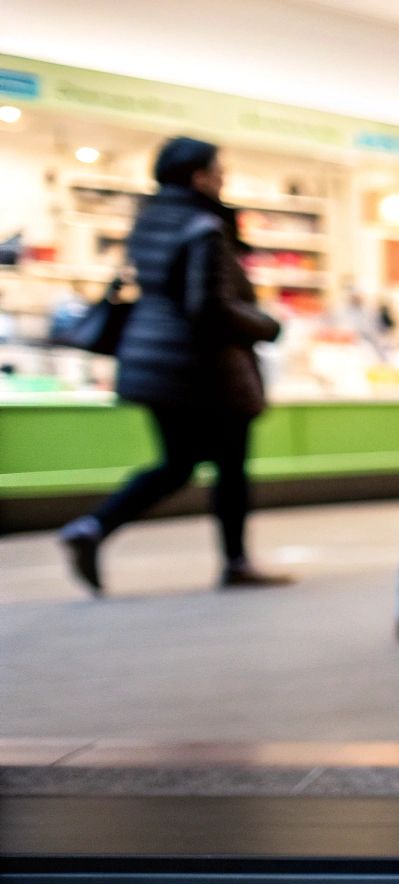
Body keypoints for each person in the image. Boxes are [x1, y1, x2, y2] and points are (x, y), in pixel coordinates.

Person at [58, 136, 291, 594]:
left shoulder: (149, 220)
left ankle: (93, 527)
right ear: (199, 176)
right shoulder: (204, 227)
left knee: (178, 463)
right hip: (204, 367)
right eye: (218, 169)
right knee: (229, 464)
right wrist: (266, 326)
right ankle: (236, 562)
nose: (224, 177)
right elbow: (207, 306)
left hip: (152, 360)